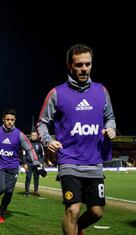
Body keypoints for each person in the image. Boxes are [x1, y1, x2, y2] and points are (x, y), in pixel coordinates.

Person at [36, 44, 116, 235]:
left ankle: (75, 229)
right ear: (69, 66)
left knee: (97, 212)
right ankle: (71, 227)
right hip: (69, 161)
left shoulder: (101, 91)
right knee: (72, 210)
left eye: (88, 64)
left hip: (94, 161)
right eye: (79, 65)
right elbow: (41, 123)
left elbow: (110, 117)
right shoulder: (56, 93)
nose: (84, 69)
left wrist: (111, 129)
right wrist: (48, 141)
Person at [23, 131, 45, 197]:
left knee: (36, 178)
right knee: (28, 178)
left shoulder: (40, 145)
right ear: (30, 136)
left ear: (37, 136)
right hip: (29, 164)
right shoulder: (26, 144)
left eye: (35, 135)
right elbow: (24, 155)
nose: (34, 136)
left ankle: (35, 191)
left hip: (37, 164)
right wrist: (25, 163)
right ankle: (26, 192)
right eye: (32, 135)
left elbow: (42, 155)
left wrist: (40, 162)